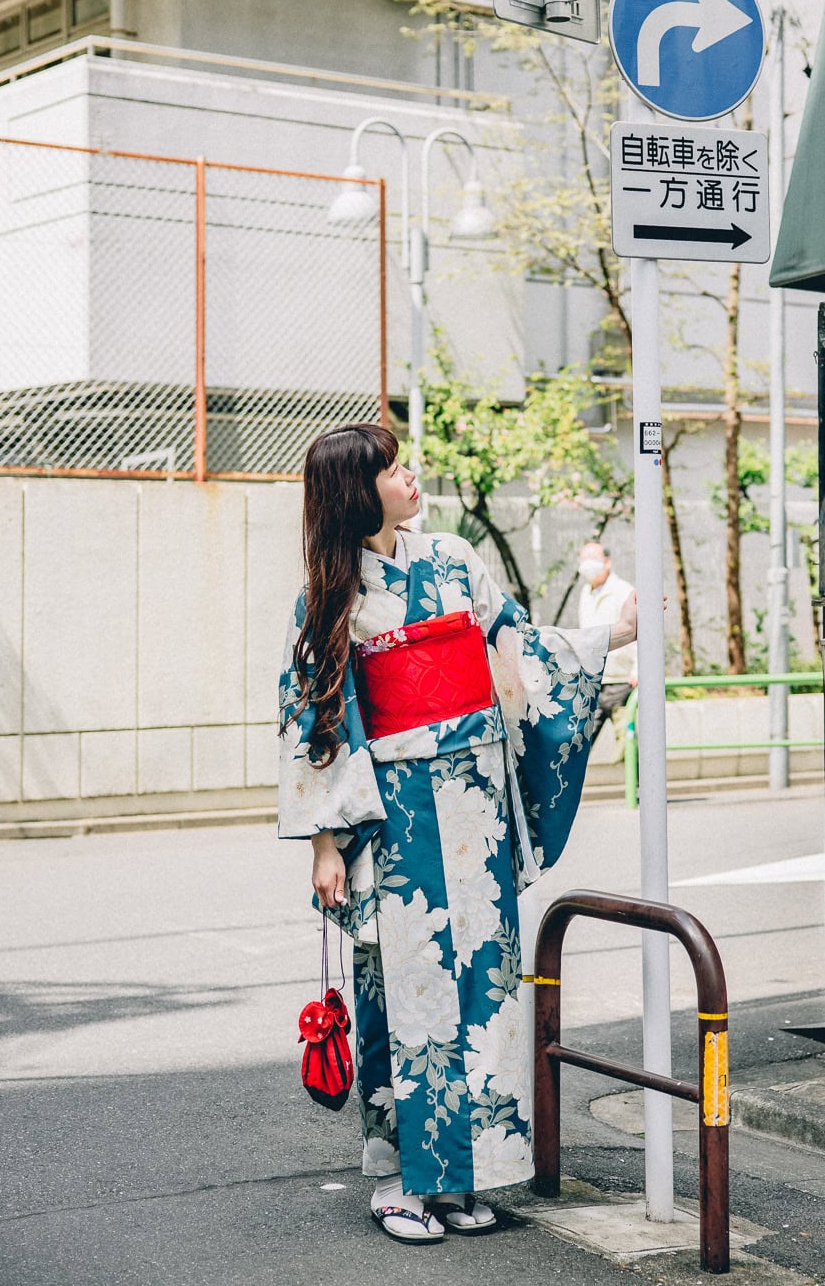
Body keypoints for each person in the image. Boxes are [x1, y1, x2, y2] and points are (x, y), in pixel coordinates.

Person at [278, 425, 637, 1246]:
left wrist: (603, 640)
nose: (411, 477)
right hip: (397, 818)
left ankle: (462, 1177)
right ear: (356, 491)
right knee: (407, 996)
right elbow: (314, 716)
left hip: (476, 809)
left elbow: (519, 648)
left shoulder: (454, 559)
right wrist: (324, 843)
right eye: (394, 468)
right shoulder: (331, 595)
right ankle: (403, 1181)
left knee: (485, 988)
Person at [577, 542, 638, 740]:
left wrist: (638, 669)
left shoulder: (623, 591)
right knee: (581, 741)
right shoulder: (586, 593)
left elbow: (639, 630)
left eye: (593, 558)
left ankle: (636, 771)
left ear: (607, 562)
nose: (588, 564)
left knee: (628, 741)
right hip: (594, 679)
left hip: (622, 681)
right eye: (584, 559)